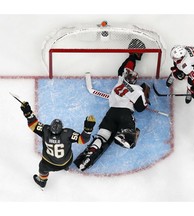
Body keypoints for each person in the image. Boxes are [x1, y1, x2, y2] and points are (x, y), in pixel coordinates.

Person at [74, 39, 150, 171]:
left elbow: (124, 68)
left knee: (102, 137)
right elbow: (140, 108)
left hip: (111, 113)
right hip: (125, 114)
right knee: (131, 140)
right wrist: (146, 98)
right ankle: (124, 135)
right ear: (135, 80)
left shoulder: (120, 81)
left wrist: (132, 56)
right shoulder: (137, 90)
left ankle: (85, 159)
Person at [20, 101, 96, 189]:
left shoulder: (45, 130)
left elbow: (33, 125)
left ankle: (42, 181)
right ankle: (66, 167)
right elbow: (83, 140)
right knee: (67, 156)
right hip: (67, 161)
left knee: (42, 168)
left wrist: (27, 113)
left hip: (50, 164)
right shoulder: (67, 133)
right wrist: (88, 129)